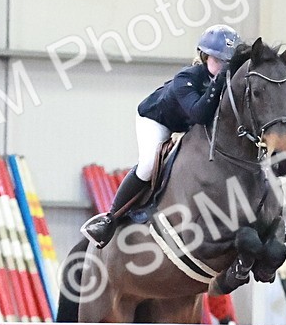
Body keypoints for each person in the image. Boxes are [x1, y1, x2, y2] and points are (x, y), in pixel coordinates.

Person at [81, 24, 241, 248]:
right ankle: (111, 218)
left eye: (228, 63)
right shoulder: (187, 77)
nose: (224, 67)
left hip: (189, 127)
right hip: (157, 121)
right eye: (219, 60)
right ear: (204, 57)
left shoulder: (228, 82)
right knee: (147, 165)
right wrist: (219, 82)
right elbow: (199, 113)